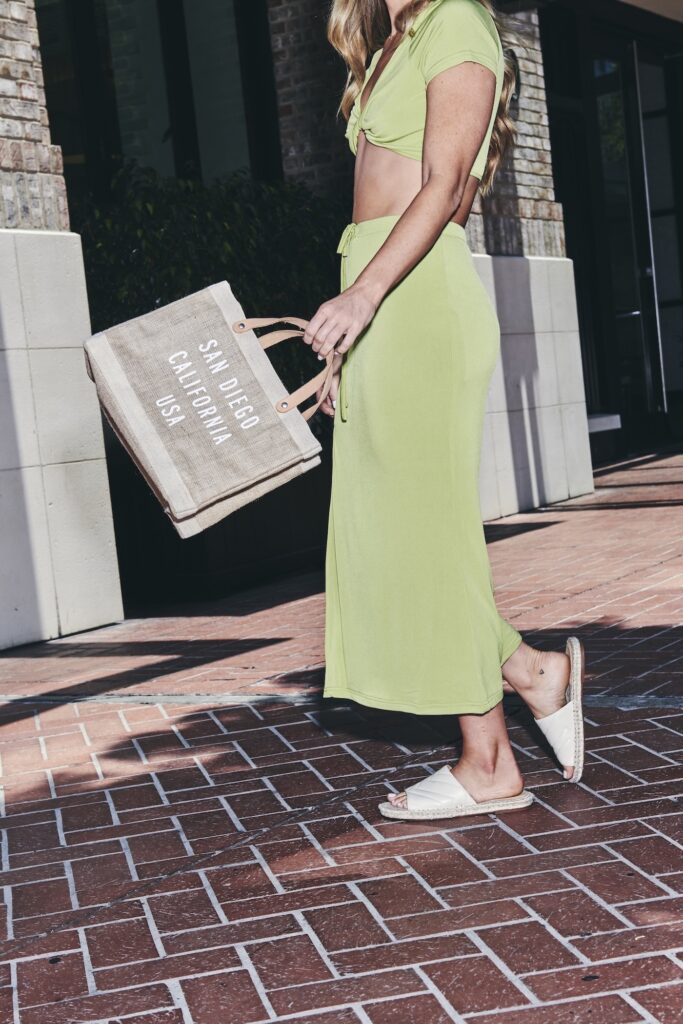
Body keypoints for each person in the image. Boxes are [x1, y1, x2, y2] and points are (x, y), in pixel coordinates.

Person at [302, 0, 585, 821]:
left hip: (413, 297)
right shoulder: (387, 40)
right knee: (395, 532)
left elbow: (446, 186)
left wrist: (363, 296)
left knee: (428, 533)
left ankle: (490, 762)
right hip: (382, 293)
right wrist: (353, 333)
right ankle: (532, 673)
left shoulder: (455, 17)